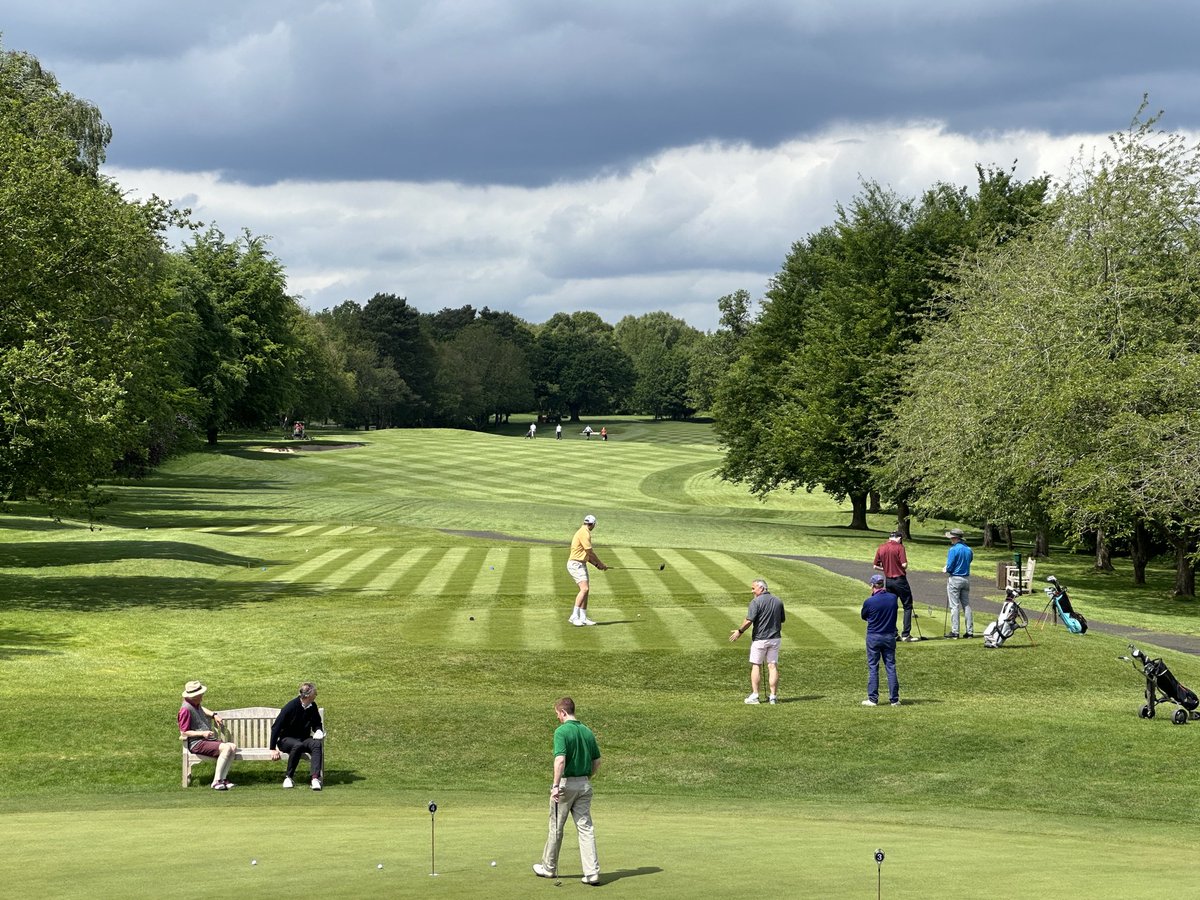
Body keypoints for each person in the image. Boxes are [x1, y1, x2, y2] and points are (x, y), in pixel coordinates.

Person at [533, 697, 602, 886]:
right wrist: (586, 778)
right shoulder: (587, 731)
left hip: (565, 786)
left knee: (556, 827)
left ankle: (549, 868)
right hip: (584, 785)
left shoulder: (562, 731)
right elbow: (597, 761)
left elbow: (560, 760)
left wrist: (555, 785)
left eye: (557, 714)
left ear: (563, 712)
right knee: (586, 828)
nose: (557, 718)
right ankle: (592, 873)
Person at [728, 578, 785, 704]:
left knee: (756, 665)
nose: (752, 591)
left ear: (762, 588)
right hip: (775, 638)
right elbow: (782, 619)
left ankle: (755, 696)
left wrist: (739, 631)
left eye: (754, 588)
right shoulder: (778, 601)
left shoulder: (756, 602)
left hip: (760, 639)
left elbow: (749, 620)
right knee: (772, 665)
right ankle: (773, 697)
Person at [178, 680, 237, 790]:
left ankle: (223, 779)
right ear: (194, 696)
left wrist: (214, 715)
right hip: (197, 743)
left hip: (206, 741)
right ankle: (216, 781)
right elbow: (183, 732)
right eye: (200, 694)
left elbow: (202, 709)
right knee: (226, 748)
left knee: (232, 747)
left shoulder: (195, 704)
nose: (202, 696)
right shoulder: (185, 710)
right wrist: (202, 733)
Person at [270, 681, 325, 790]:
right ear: (308, 695)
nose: (316, 695)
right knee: (298, 745)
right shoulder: (290, 706)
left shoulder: (312, 706)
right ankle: (288, 777)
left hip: (303, 738)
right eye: (315, 693)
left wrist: (318, 730)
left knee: (316, 744)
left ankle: (314, 778)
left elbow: (317, 723)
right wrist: (272, 748)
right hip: (286, 740)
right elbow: (276, 727)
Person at [861, 574, 900, 706]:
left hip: (874, 636)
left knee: (873, 667)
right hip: (889, 636)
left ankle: (873, 699)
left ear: (872, 585)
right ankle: (894, 699)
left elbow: (864, 616)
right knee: (891, 666)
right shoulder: (893, 598)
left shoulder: (869, 601)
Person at [873, 530, 916, 641]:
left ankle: (893, 633)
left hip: (889, 581)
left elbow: (875, 566)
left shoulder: (881, 547)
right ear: (899, 538)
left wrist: (886, 568)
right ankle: (906, 634)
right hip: (900, 580)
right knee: (907, 606)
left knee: (892, 606)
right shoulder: (899, 547)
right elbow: (904, 564)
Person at [567, 514, 608, 625]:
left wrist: (596, 565)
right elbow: (590, 552)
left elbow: (586, 555)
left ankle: (583, 617)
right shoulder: (584, 533)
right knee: (584, 589)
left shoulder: (583, 531)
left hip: (580, 563)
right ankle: (574, 616)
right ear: (593, 524)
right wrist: (601, 563)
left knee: (586, 590)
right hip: (575, 564)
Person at [943, 528, 974, 638]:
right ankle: (969, 631)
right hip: (966, 578)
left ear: (955, 538)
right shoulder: (968, 549)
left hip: (955, 578)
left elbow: (950, 566)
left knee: (954, 606)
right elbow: (970, 561)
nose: (950, 539)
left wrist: (946, 569)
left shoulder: (953, 549)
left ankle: (955, 631)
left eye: (951, 537)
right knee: (966, 605)